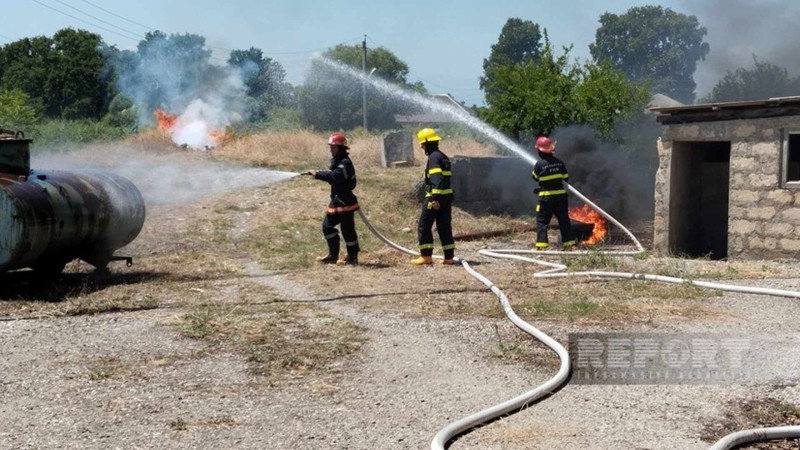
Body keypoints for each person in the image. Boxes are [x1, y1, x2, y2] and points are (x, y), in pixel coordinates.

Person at [302, 132, 360, 265]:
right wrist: (317, 173)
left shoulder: (345, 163)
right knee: (327, 226)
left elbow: (335, 176)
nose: (331, 150)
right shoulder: (338, 161)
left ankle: (352, 257)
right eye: (331, 148)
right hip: (336, 201)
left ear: (340, 148)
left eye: (333, 148)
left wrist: (317, 174)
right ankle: (333, 255)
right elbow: (332, 174)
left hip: (345, 202)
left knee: (348, 231)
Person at [411, 128, 455, 265]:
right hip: (446, 197)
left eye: (422, 145)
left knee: (424, 225)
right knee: (444, 227)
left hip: (435, 198)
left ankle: (426, 256)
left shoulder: (434, 158)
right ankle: (449, 258)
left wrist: (434, 198)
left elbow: (437, 179)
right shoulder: (442, 156)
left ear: (427, 143)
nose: (422, 147)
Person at [531, 135, 576, 250]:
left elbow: (535, 177)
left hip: (546, 199)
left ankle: (542, 246)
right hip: (561, 198)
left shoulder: (539, 164)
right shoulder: (559, 163)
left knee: (542, 222)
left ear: (540, 151)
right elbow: (565, 178)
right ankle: (569, 244)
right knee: (564, 221)